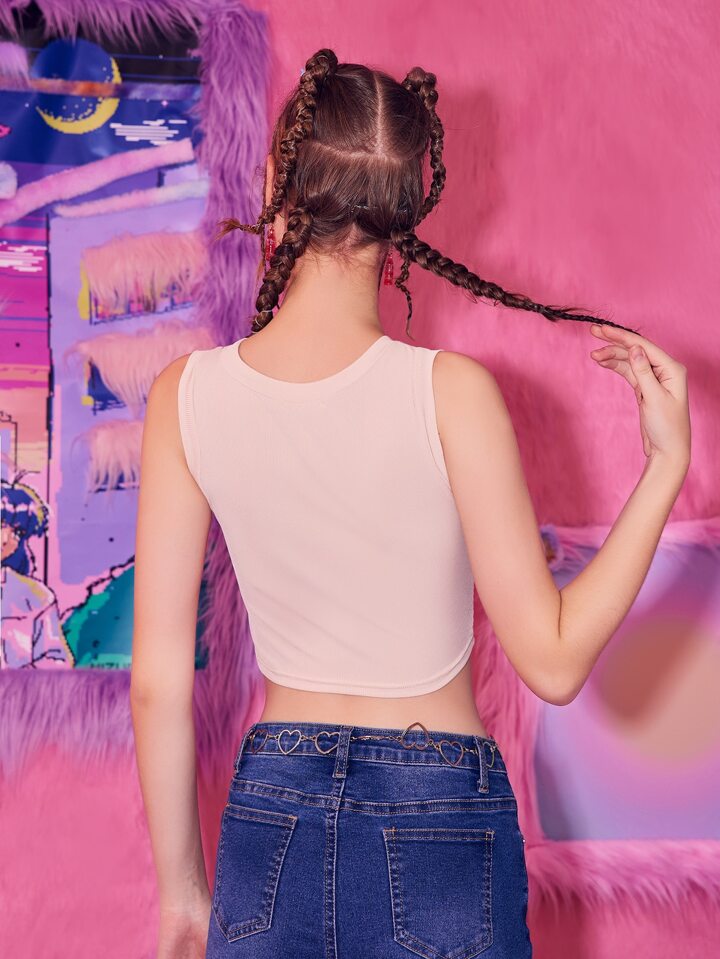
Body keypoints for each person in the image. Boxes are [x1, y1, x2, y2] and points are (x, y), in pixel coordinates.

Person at [130, 49, 691, 959]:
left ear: (278, 182)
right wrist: (664, 464)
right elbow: (552, 661)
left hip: (272, 817)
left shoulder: (183, 396)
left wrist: (183, 897)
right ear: (406, 211)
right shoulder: (451, 394)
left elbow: (158, 682)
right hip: (438, 817)